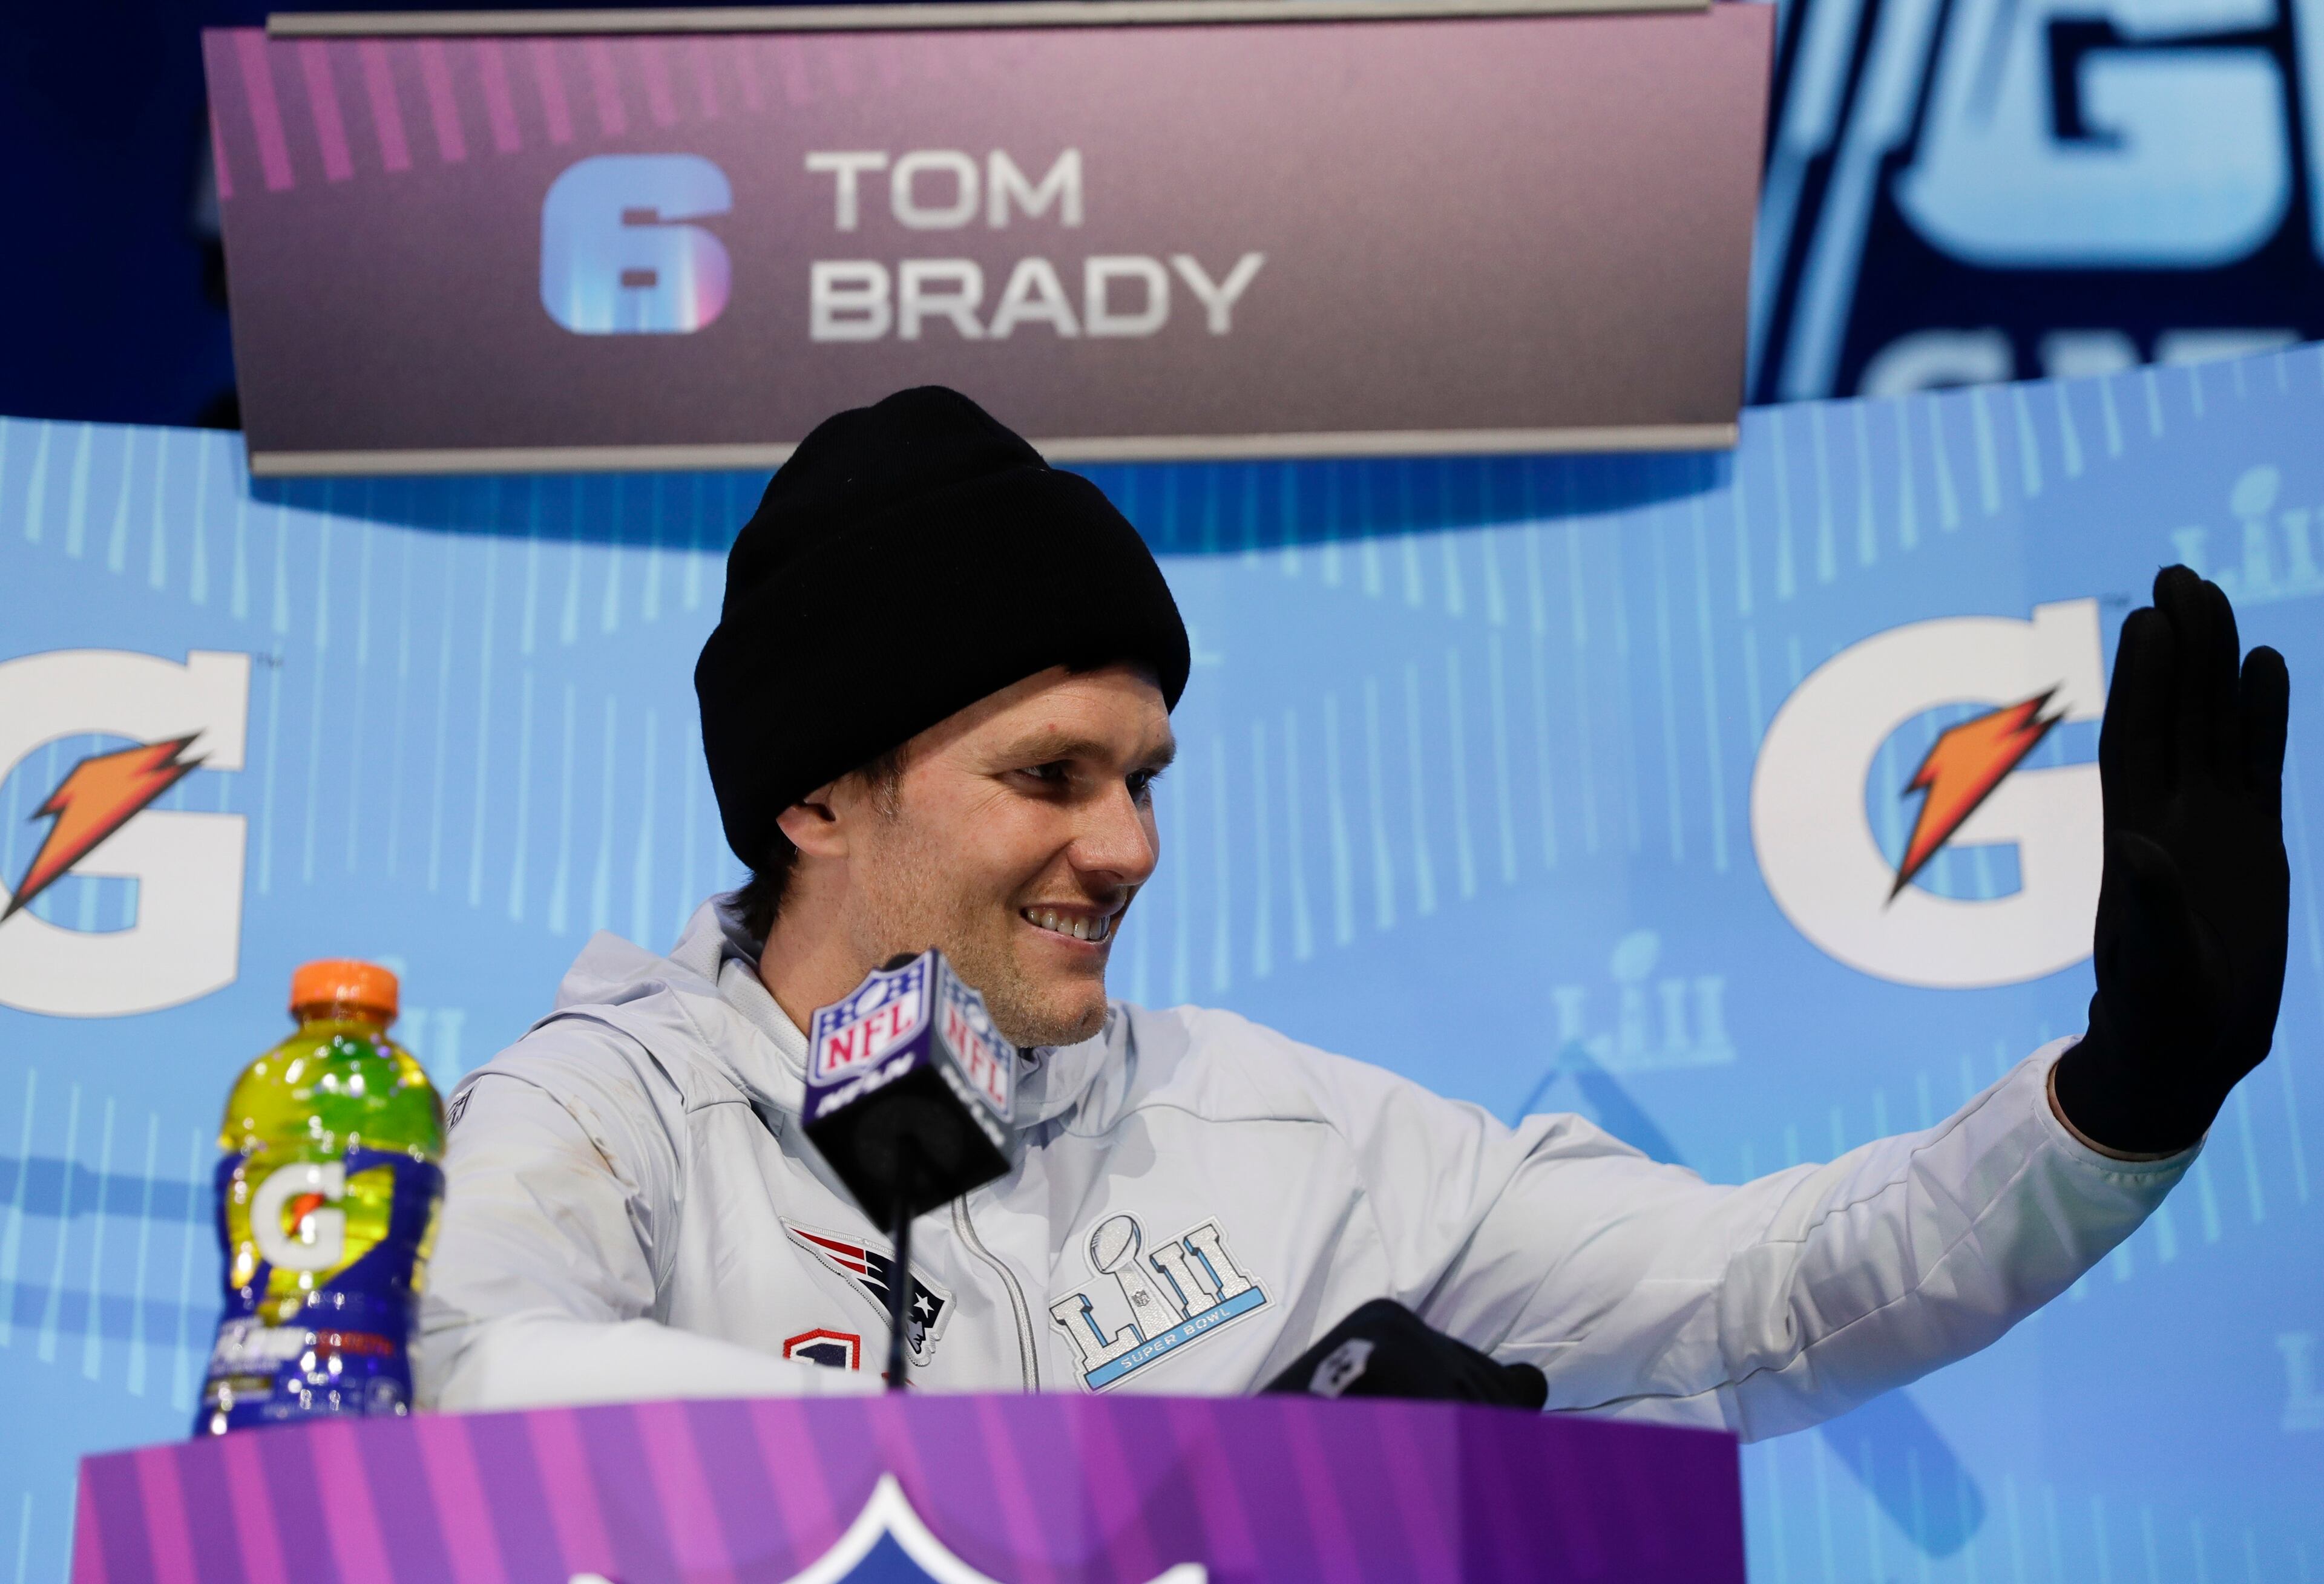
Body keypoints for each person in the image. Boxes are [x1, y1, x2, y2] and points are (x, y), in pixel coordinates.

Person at [414, 388, 2290, 1436]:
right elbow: (473, 1408)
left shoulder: (1280, 1134)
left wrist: (2124, 1101)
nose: (1130, 845)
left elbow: (1762, 1286)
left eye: (1145, 775)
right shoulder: (611, 1114)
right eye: (1051, 776)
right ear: (817, 795)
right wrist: (1166, 1502)